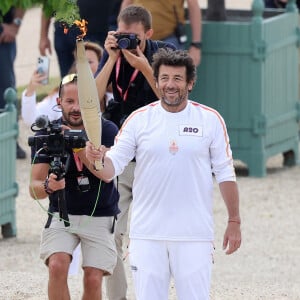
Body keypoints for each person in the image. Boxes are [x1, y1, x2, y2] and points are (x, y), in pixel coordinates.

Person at [86, 48, 242, 300]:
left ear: (190, 83)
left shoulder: (211, 120)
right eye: (165, 78)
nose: (171, 85)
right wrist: (97, 160)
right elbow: (111, 167)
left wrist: (234, 221)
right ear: (156, 81)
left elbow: (226, 173)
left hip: (194, 236)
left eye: (178, 79)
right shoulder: (138, 120)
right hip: (147, 235)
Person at [95, 5, 176, 299]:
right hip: (124, 154)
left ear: (149, 34)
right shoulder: (113, 54)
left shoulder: (164, 53)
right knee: (112, 234)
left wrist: (144, 66)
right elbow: (93, 103)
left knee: (155, 237)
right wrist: (110, 59)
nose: (129, 42)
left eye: (135, 38)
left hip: (158, 156)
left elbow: (174, 102)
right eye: (123, 36)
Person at [29, 73, 120, 299]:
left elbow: (107, 175)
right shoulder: (48, 133)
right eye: (69, 101)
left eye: (82, 101)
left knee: (93, 276)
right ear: (59, 102)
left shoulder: (106, 130)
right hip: (62, 211)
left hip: (100, 213)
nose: (76, 107)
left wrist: (78, 144)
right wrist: (49, 186)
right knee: (57, 265)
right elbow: (34, 187)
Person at [22, 41, 112, 126]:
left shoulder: (111, 98)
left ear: (101, 66)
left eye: (89, 62)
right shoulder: (62, 95)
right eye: (80, 61)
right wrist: (31, 89)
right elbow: (31, 119)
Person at [39, 0, 121, 78]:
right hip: (63, 30)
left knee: (97, 76)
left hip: (95, 28)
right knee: (68, 79)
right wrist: (43, 37)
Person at [121, 0, 202, 66]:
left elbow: (193, 6)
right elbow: (127, 3)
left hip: (169, 39)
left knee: (171, 80)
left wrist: (196, 45)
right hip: (139, 40)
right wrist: (122, 31)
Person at [0, 6, 26, 159]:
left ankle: (10, 141)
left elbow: (22, 2)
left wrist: (15, 25)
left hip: (3, 34)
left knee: (5, 90)